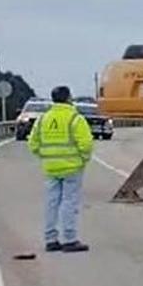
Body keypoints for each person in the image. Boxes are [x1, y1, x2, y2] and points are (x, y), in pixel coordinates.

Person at [27, 86, 92, 253]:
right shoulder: (75, 118)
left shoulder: (43, 119)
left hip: (50, 168)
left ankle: (50, 239)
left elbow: (32, 143)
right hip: (72, 167)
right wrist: (83, 160)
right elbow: (86, 144)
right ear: (68, 98)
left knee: (51, 203)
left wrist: (46, 156)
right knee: (69, 202)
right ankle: (69, 239)